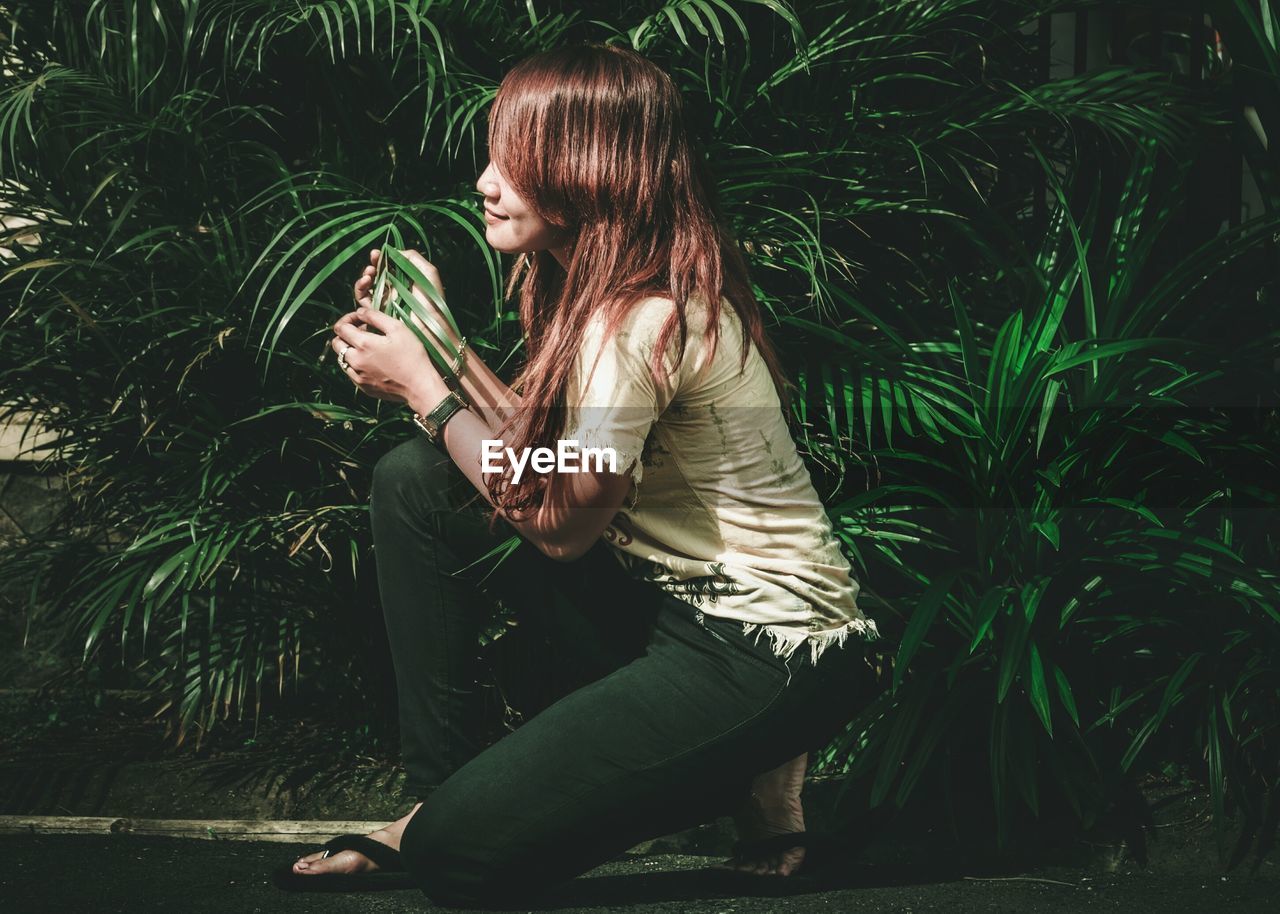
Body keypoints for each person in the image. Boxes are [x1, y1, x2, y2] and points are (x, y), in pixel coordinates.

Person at [281, 42, 881, 906]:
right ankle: (437, 793)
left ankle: (752, 757)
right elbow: (546, 452)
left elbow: (560, 525)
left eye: (516, 163)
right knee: (418, 479)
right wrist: (440, 341)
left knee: (458, 860)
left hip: (768, 648)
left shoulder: (637, 319)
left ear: (591, 170)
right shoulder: (606, 290)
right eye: (493, 154)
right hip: (669, 599)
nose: (487, 180)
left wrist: (424, 389)